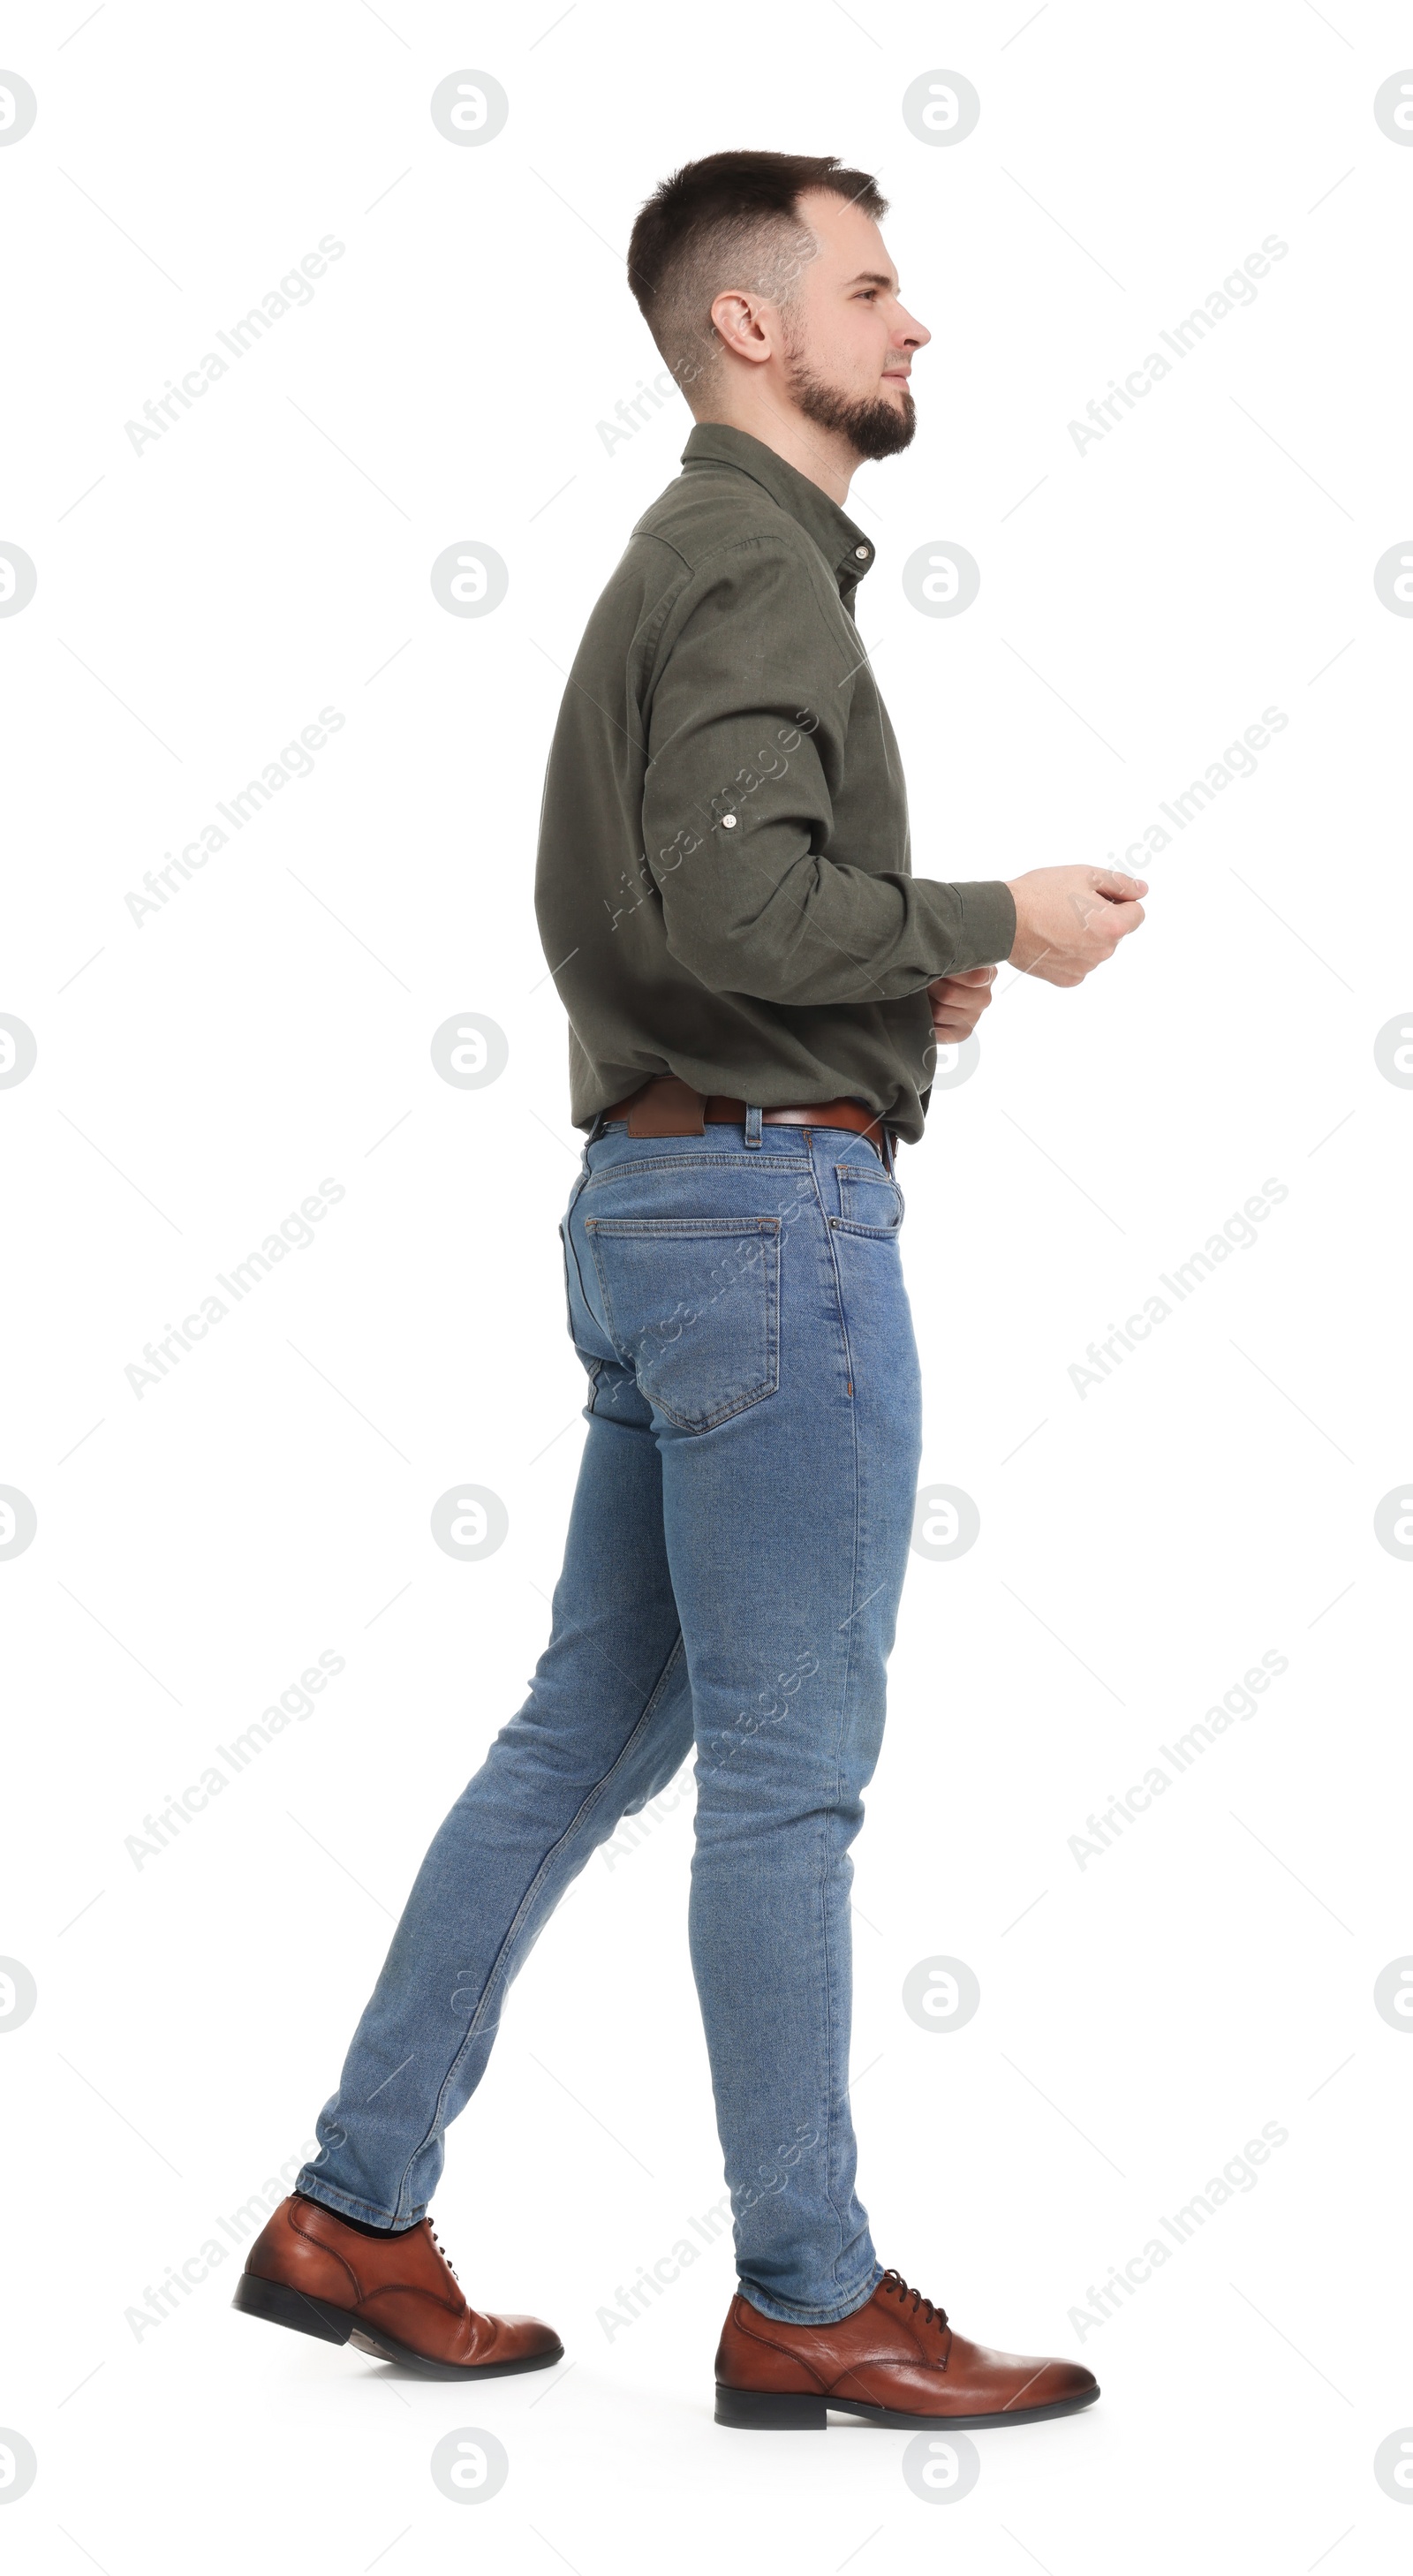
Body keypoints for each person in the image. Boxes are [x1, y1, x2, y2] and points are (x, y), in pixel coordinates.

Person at [235, 149, 1145, 2429]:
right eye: (872, 284)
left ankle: (354, 2207)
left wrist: (874, 992)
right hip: (765, 1233)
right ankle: (806, 2295)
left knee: (586, 1735)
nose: (912, 323)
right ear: (754, 328)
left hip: (667, 1213)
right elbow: (735, 927)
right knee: (788, 1780)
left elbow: (661, 931)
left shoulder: (695, 567)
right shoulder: (750, 566)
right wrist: (975, 922)